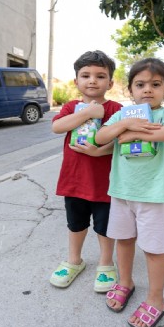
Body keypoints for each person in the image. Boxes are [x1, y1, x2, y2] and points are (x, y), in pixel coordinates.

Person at [95, 58, 164, 327]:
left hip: (152, 195)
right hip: (121, 192)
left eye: (155, 84)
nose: (147, 89)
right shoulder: (124, 115)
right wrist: (127, 127)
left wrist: (142, 134)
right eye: (140, 84)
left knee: (153, 249)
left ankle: (156, 299)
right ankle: (125, 282)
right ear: (130, 90)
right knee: (123, 241)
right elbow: (101, 137)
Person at [49, 50, 123, 292]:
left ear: (110, 83)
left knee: (104, 225)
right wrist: (87, 113)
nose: (92, 80)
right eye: (86, 75)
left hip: (105, 182)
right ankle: (74, 260)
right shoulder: (72, 107)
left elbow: (123, 141)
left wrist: (99, 152)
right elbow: (57, 127)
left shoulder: (116, 109)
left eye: (100, 76)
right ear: (76, 81)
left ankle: (106, 262)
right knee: (76, 223)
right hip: (74, 180)